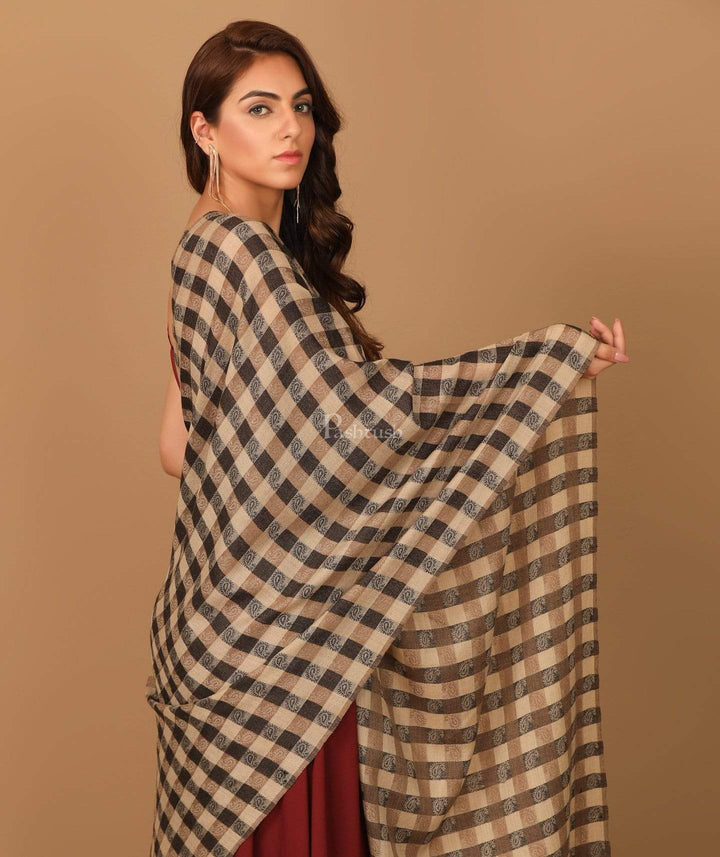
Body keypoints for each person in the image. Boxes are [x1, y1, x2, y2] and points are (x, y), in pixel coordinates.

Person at [151, 19, 628, 857]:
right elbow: (355, 414)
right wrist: (541, 367)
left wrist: (270, 478)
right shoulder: (241, 252)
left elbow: (179, 446)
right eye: (259, 108)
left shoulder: (200, 246)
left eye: (300, 106)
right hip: (284, 650)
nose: (291, 128)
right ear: (205, 129)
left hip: (221, 626)